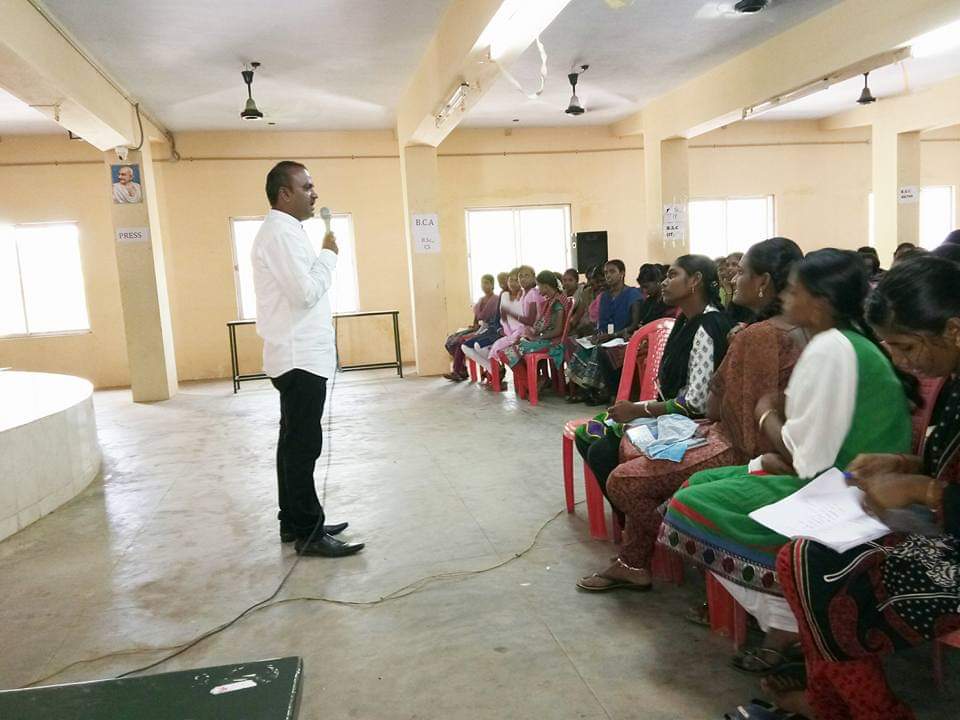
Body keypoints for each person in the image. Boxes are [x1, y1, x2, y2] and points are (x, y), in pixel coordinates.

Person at [660, 248, 915, 668]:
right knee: (698, 485)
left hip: (848, 490)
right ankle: (782, 619)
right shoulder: (839, 340)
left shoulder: (831, 347)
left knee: (687, 506)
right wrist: (773, 449)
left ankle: (790, 617)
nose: (786, 297)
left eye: (795, 291)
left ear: (822, 301)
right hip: (831, 472)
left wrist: (765, 412)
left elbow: (805, 457)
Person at [765, 256, 960, 720]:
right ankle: (836, 702)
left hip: (950, 547)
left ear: (953, 330)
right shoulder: (954, 379)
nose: (900, 360)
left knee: (819, 571)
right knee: (802, 557)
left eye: (906, 346)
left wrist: (924, 491)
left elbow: (943, 487)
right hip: (944, 528)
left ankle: (869, 710)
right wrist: (902, 463)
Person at [577, 240, 805, 593]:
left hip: (735, 442)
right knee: (604, 437)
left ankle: (677, 549)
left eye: (742, 272)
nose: (733, 278)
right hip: (720, 428)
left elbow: (721, 412)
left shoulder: (748, 333)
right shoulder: (724, 325)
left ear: (763, 282)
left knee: (622, 476)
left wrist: (647, 412)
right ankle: (635, 557)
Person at [573, 254, 734, 590]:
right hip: (669, 415)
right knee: (589, 433)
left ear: (695, 282)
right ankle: (634, 534)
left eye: (673, 275)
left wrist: (639, 410)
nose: (664, 282)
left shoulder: (707, 326)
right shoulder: (685, 320)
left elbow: (695, 403)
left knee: (605, 451)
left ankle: (640, 546)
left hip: (692, 425)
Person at [251, 160, 363, 558]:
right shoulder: (280, 234)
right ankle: (309, 533)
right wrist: (329, 256)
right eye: (307, 187)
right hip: (299, 357)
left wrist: (321, 257)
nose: (315, 194)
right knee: (303, 447)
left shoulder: (285, 231)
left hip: (297, 354)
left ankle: (294, 521)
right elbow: (305, 294)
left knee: (292, 443)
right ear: (285, 194)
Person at [593, 263, 676, 400]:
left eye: (646, 287)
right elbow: (640, 323)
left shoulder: (666, 302)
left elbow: (661, 327)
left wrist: (637, 335)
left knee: (612, 352)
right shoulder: (649, 301)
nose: (644, 291)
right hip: (641, 339)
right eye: (642, 287)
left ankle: (621, 394)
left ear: (658, 282)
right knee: (605, 350)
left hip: (655, 343)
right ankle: (614, 392)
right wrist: (632, 334)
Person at [566, 260, 642, 404]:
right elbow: (601, 323)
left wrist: (612, 335)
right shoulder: (605, 296)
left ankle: (608, 392)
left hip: (623, 337)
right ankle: (587, 391)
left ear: (622, 273)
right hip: (606, 336)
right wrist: (597, 334)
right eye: (606, 272)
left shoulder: (632, 294)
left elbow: (634, 324)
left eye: (612, 271)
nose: (608, 275)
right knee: (583, 347)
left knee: (601, 350)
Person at [500, 270, 568, 374]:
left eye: (539, 286)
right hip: (546, 339)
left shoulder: (557, 303)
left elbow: (558, 330)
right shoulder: (550, 301)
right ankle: (530, 378)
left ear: (546, 287)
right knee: (511, 348)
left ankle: (529, 379)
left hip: (553, 342)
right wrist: (532, 335)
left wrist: (538, 338)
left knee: (509, 353)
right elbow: (544, 325)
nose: (538, 289)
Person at [443, 274, 500, 381]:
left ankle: (457, 371)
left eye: (487, 283)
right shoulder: (481, 300)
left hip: (490, 328)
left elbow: (495, 318)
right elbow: (477, 317)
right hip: (478, 328)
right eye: (482, 283)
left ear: (492, 285)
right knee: (452, 340)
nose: (484, 285)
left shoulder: (496, 300)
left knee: (461, 341)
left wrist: (479, 328)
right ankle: (462, 369)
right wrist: (474, 325)